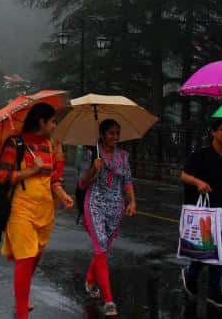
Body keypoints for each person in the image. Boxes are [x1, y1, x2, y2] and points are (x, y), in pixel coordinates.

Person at [0, 103, 74, 319]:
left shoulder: (50, 145)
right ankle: (22, 312)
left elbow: (53, 180)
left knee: (34, 257)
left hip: (45, 211)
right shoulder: (15, 143)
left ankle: (22, 295)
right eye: (52, 121)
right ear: (41, 122)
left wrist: (63, 196)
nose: (55, 125)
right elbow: (3, 178)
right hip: (20, 209)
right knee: (25, 257)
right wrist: (32, 170)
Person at [78, 119, 137, 317]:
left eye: (117, 133)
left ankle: (89, 279)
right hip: (95, 204)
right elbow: (81, 184)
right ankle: (108, 300)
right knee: (101, 246)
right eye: (111, 133)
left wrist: (132, 202)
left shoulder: (123, 156)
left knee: (102, 249)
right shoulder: (91, 155)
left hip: (115, 208)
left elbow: (127, 181)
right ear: (102, 135)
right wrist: (93, 169)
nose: (115, 137)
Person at [179, 118, 222, 309]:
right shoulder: (201, 155)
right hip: (206, 212)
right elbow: (184, 175)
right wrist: (198, 183)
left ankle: (213, 291)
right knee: (204, 251)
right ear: (213, 132)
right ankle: (191, 275)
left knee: (220, 253)